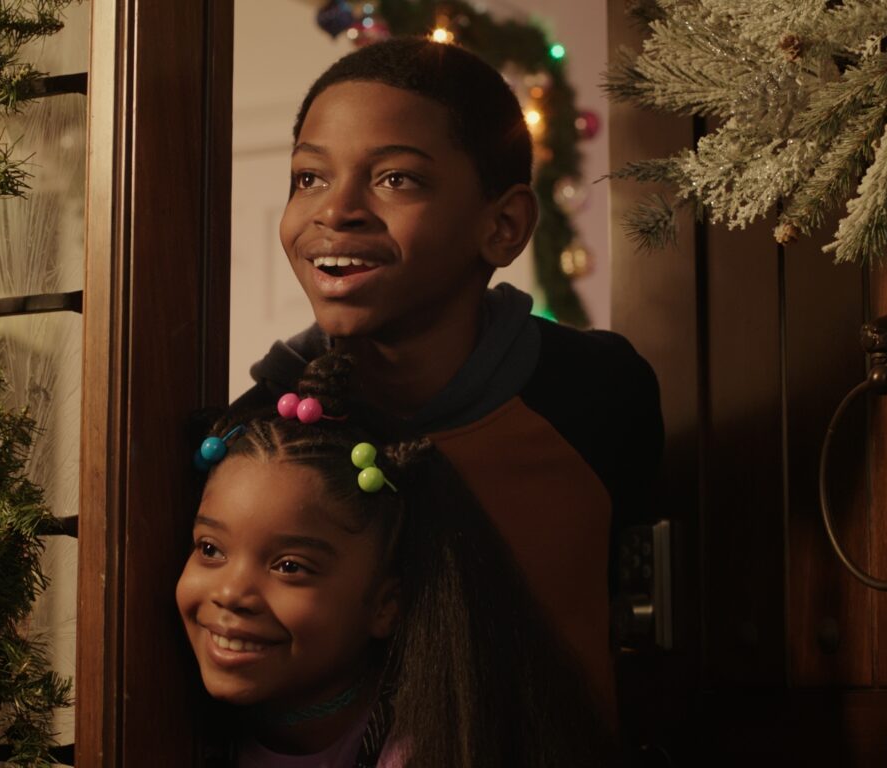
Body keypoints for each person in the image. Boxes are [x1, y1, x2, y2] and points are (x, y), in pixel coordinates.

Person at [237, 37, 664, 719]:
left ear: (503, 226)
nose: (334, 210)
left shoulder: (599, 396)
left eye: (396, 178)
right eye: (309, 177)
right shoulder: (263, 427)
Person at [179, 352, 609, 767]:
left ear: (387, 604)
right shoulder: (172, 723)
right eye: (211, 549)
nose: (232, 593)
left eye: (290, 566)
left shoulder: (429, 748)